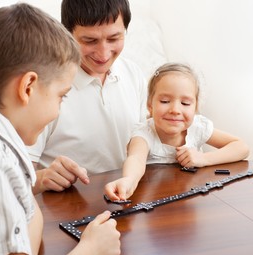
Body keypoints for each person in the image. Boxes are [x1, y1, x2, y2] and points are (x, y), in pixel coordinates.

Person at [0, 3, 120, 255]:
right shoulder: (2, 166)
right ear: (28, 86)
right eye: (61, 96)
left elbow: (30, 219)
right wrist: (90, 253)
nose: (58, 109)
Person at [27, 0, 147, 194]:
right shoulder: (45, 86)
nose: (103, 53)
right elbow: (13, 179)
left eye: (114, 38)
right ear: (66, 34)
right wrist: (42, 178)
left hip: (127, 199)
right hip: (66, 210)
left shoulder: (133, 74)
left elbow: (145, 142)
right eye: (90, 41)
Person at [104, 63, 250, 200]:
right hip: (156, 201)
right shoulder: (144, 134)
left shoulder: (197, 127)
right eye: (165, 101)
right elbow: (136, 159)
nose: (175, 110)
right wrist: (128, 180)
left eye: (185, 103)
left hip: (190, 199)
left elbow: (241, 147)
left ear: (195, 107)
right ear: (150, 105)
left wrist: (204, 159)